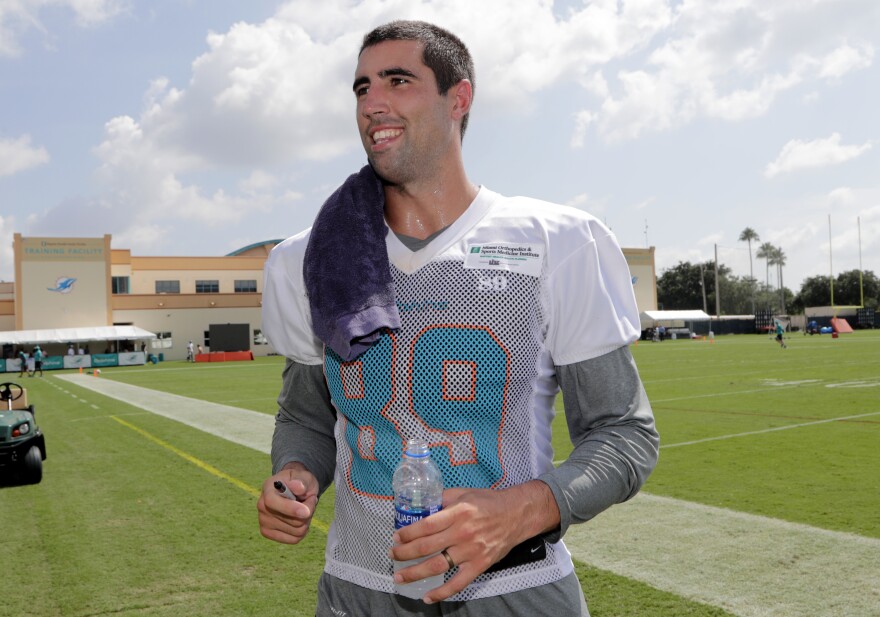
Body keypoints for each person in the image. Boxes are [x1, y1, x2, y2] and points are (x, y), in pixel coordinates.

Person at [257, 20, 658, 617]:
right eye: (362, 88)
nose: (373, 103)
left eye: (398, 80)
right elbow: (306, 418)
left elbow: (625, 436)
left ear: (459, 98)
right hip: (358, 589)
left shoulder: (558, 242)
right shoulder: (307, 259)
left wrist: (522, 509)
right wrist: (294, 473)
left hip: (513, 589)